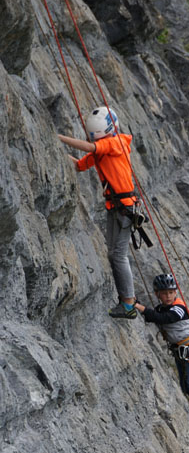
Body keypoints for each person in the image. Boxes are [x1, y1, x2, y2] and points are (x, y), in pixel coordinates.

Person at [58, 106, 140, 320]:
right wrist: (54, 148)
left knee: (119, 255)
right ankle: (126, 300)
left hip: (125, 206)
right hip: (116, 207)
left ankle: (128, 303)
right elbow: (79, 165)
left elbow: (90, 147)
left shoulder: (117, 142)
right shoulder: (102, 150)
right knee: (113, 253)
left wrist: (59, 137)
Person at [134, 274, 189, 431]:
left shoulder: (179, 308)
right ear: (157, 294)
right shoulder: (161, 308)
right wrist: (138, 306)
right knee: (185, 386)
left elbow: (164, 318)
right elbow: (153, 316)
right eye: (164, 293)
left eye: (171, 292)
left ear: (176, 293)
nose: (168, 296)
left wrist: (141, 307)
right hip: (181, 350)